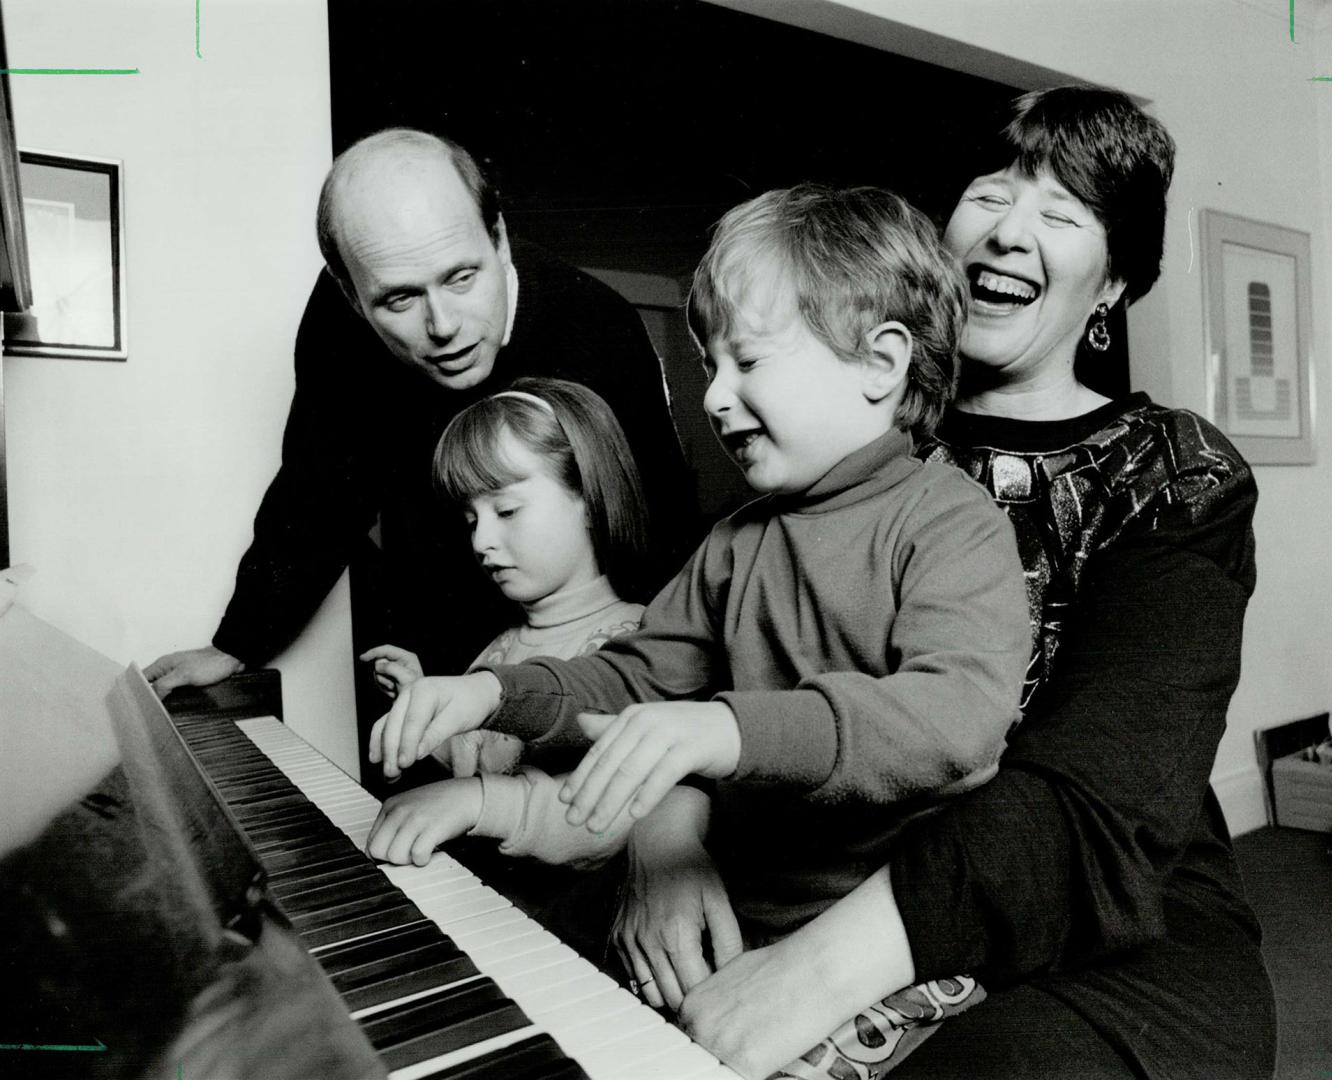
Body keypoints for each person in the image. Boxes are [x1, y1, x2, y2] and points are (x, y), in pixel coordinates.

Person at [661, 85, 1275, 1080]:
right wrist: (662, 831)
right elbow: (696, 650)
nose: (1007, 235)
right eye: (989, 196)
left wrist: (806, 979)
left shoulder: (1178, 476)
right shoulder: (826, 418)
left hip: (1105, 902)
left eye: (1061, 214)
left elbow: (1098, 791)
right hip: (822, 864)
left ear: (1111, 284)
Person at [366, 186, 1033, 970]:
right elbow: (636, 677)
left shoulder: (949, 522)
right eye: (712, 365)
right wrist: (493, 695)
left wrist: (725, 729)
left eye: (746, 360)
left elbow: (954, 718)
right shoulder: (734, 543)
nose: (715, 396)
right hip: (742, 911)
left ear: (880, 364)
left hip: (886, 939)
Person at [144, 129, 696, 715]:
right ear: (351, 295)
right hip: (438, 634)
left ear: (500, 239)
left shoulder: (601, 329)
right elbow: (316, 492)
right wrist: (238, 643)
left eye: (462, 277)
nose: (443, 325)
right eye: (400, 300)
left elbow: (660, 520)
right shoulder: (339, 323)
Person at [362, 377, 650, 869]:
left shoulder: (636, 646)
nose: (480, 542)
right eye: (472, 519)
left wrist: (478, 800)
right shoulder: (501, 647)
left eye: (507, 509)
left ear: (588, 497)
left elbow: (618, 815)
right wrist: (423, 704)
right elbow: (478, 758)